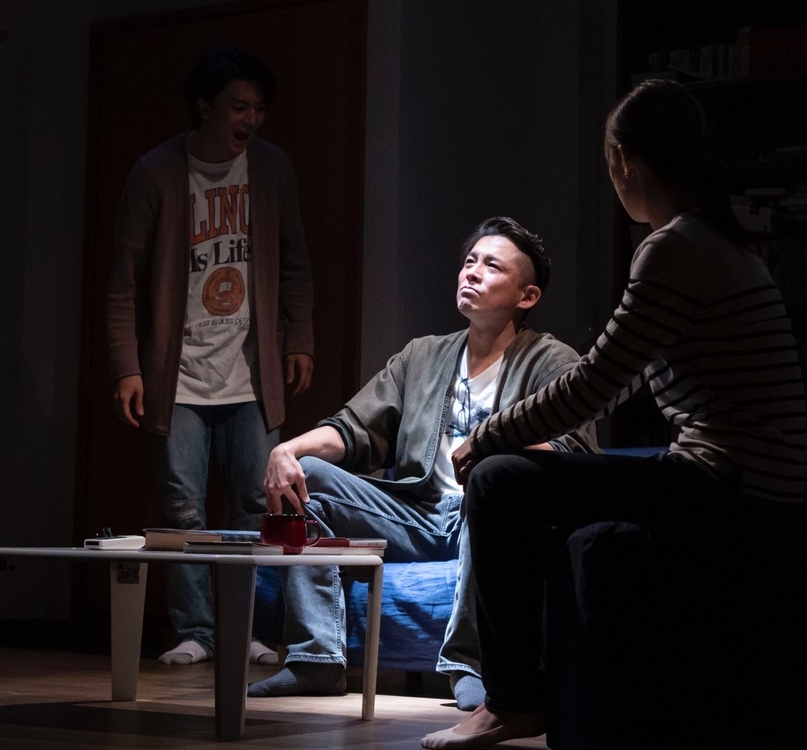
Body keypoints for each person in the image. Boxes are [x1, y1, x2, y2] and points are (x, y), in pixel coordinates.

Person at [422, 78, 807, 749]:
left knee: (499, 480)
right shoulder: (724, 240)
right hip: (751, 476)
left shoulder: (674, 248)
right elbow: (616, 378)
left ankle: (511, 700)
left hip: (726, 481)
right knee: (541, 477)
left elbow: (593, 387)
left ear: (625, 162)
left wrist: (488, 436)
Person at [246, 216, 599, 708]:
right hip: (418, 512)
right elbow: (353, 428)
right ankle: (315, 660)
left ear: (527, 296)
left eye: (492, 266)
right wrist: (287, 450)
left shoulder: (552, 361)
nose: (472, 272)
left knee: (490, 481)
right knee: (309, 477)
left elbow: (573, 453)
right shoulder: (423, 356)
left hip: (493, 516)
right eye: (469, 261)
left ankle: (469, 664)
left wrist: (499, 452)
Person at [105, 45, 315, 666]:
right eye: (238, 106)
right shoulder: (157, 172)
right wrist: (127, 365)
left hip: (250, 371)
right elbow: (122, 279)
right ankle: (196, 630)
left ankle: (245, 627)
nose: (250, 119)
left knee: (256, 501)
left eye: (258, 108)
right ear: (205, 107)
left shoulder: (271, 167)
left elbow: (296, 261)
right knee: (182, 506)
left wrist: (299, 338)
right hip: (180, 374)